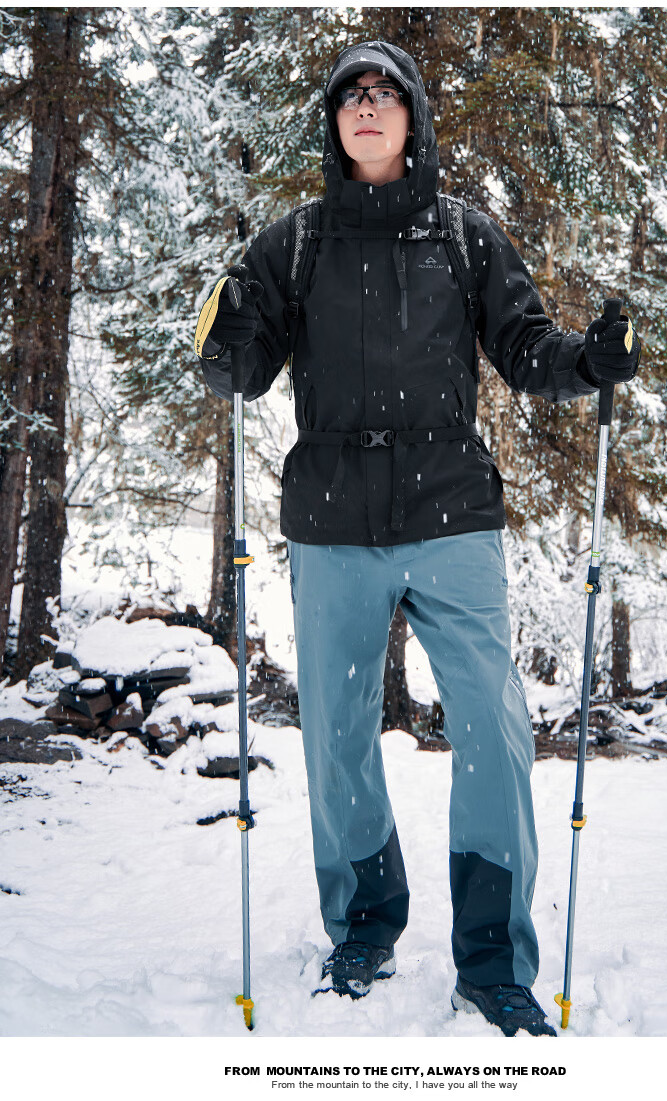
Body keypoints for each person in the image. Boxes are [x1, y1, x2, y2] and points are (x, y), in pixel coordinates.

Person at [196, 40, 640, 1037]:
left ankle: (490, 961)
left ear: (411, 118)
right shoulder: (295, 244)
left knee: (490, 723)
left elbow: (525, 348)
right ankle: (364, 922)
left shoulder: (465, 238)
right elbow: (248, 365)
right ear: (333, 123)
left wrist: (589, 362)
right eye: (349, 95)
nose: (365, 107)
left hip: (450, 510)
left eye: (383, 93)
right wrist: (225, 346)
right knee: (337, 736)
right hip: (332, 519)